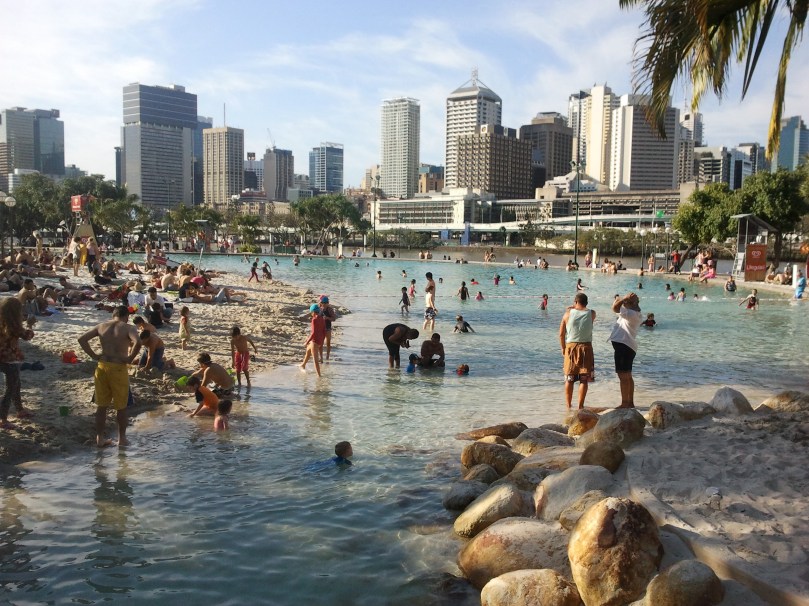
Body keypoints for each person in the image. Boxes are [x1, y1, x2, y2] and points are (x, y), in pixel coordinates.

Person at [77, 306, 142, 447]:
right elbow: (138, 342)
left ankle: (99, 439)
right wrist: (130, 358)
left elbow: (81, 339)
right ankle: (122, 439)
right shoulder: (129, 328)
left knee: (101, 406)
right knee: (121, 407)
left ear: (113, 315)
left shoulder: (101, 326)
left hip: (102, 367)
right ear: (126, 316)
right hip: (118, 368)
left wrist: (93, 355)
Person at [0, 298, 35, 428]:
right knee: (11, 388)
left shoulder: (2, 322)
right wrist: (30, 325)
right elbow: (27, 336)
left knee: (15, 385)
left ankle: (20, 409)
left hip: (2, 358)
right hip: (11, 360)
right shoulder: (14, 326)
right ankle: (3, 419)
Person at [559, 293, 596, 409]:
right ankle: (580, 406)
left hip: (571, 347)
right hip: (586, 347)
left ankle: (568, 406)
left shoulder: (567, 314)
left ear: (575, 302)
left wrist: (563, 348)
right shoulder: (592, 314)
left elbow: (561, 334)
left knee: (569, 379)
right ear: (586, 303)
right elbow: (585, 312)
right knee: (583, 380)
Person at [608, 292, 643, 409]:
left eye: (626, 302)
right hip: (628, 347)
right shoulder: (635, 313)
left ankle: (624, 403)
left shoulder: (630, 313)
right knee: (628, 375)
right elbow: (617, 307)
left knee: (623, 376)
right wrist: (624, 299)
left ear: (629, 304)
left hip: (624, 347)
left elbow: (614, 308)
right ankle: (630, 402)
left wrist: (623, 298)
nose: (624, 304)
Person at [300, 304, 325, 376]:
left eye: (311, 313)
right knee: (308, 350)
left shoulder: (314, 320)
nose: (311, 314)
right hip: (320, 340)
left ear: (313, 312)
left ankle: (319, 376)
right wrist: (322, 341)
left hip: (315, 341)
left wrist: (306, 341)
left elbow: (313, 333)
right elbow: (324, 331)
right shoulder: (322, 319)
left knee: (315, 360)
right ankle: (303, 365)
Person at [319, 295, 338, 361]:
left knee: (328, 343)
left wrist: (327, 318)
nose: (324, 304)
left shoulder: (329, 309)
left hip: (328, 328)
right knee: (320, 343)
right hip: (321, 328)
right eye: (323, 303)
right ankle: (321, 357)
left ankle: (327, 357)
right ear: (320, 303)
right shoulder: (319, 308)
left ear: (328, 303)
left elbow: (334, 318)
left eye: (326, 303)